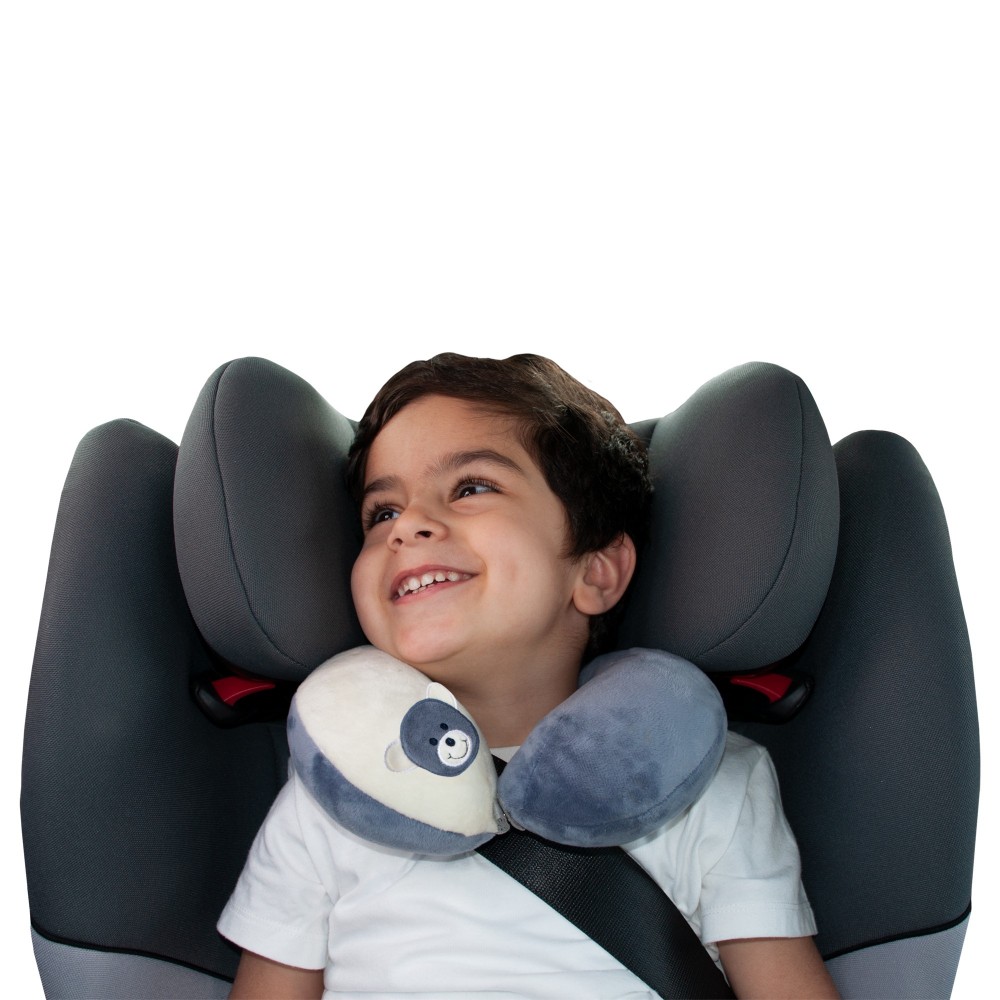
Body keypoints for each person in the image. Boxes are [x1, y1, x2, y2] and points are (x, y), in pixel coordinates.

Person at [218, 353, 839, 999]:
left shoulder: (706, 785)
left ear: (595, 571)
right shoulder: (333, 795)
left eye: (470, 487)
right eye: (382, 513)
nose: (409, 525)